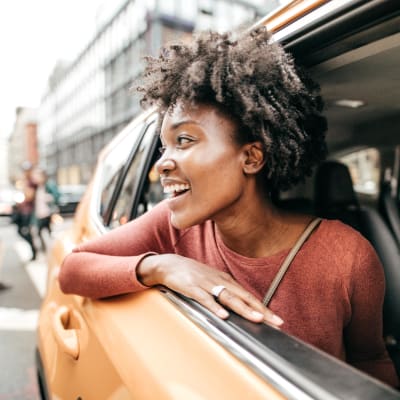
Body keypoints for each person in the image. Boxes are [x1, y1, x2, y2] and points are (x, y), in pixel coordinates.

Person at [59, 28, 398, 386]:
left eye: (184, 140)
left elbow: (371, 360)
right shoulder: (173, 228)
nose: (163, 164)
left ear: (251, 157)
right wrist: (162, 267)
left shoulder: (347, 256)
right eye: (163, 147)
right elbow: (72, 269)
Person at [14, 161, 37, 260]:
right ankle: (33, 249)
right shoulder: (25, 181)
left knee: (25, 231)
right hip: (22, 211)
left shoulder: (31, 182)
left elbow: (29, 196)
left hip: (28, 212)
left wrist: (24, 188)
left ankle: (34, 250)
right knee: (20, 231)